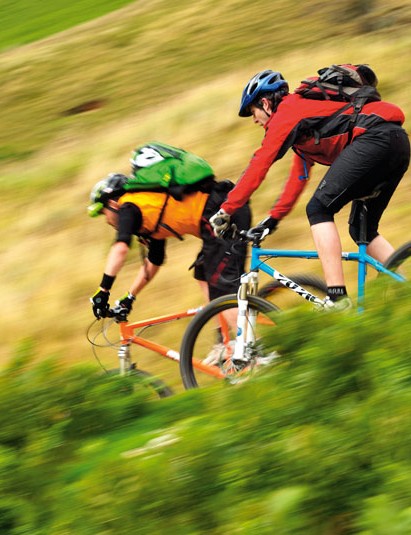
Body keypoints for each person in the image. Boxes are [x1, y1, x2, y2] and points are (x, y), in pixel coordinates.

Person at [210, 69, 410, 309]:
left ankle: (337, 297)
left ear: (265, 103)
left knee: (318, 209)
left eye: (253, 112)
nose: (254, 120)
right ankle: (403, 289)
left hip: (374, 140)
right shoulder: (303, 126)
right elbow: (298, 178)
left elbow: (260, 162)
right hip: (395, 142)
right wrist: (273, 219)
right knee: (362, 230)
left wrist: (226, 210)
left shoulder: (288, 111)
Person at [88, 172, 251, 319]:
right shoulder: (147, 207)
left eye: (104, 212)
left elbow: (120, 248)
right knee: (202, 272)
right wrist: (130, 296)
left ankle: (251, 349)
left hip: (225, 214)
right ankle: (225, 343)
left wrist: (103, 290)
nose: (107, 220)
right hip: (220, 216)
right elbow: (154, 260)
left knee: (221, 290)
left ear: (112, 204)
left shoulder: (128, 207)